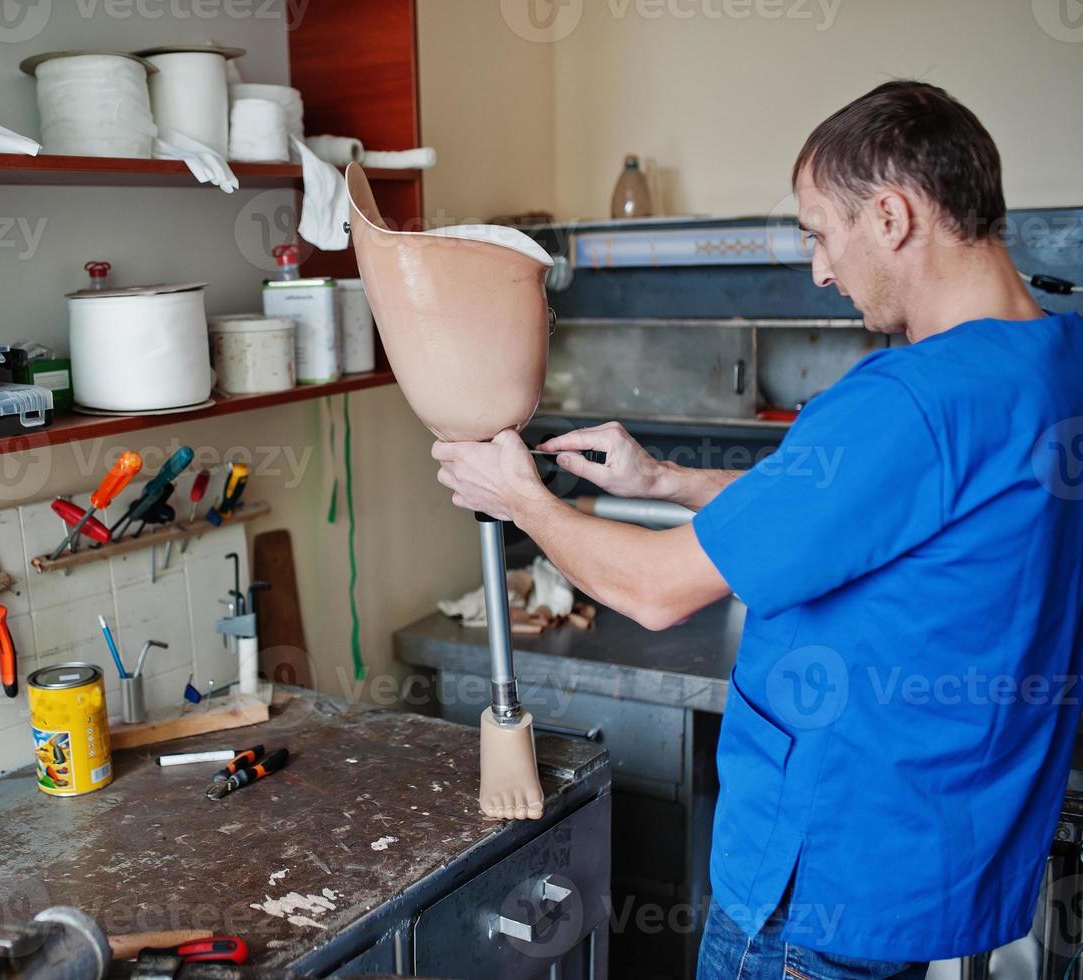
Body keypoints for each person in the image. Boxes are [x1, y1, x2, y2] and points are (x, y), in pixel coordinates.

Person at [431, 80, 1083, 978]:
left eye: (819, 231)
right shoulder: (1055, 359)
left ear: (890, 216)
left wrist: (523, 501)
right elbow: (864, 508)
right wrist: (663, 479)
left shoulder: (905, 398)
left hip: (819, 876)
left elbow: (655, 591)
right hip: (933, 857)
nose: (819, 268)